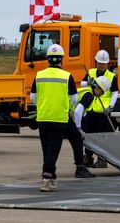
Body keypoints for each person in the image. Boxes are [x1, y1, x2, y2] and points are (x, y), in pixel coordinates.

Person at [29, 44, 79, 192]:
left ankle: (52, 178)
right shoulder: (67, 76)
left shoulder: (39, 75)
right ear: (61, 59)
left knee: (47, 149)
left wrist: (43, 104)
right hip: (59, 118)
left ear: (48, 59)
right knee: (53, 149)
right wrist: (66, 107)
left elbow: (33, 97)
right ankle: (46, 177)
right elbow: (74, 99)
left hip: (44, 117)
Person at [81, 49, 118, 168]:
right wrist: (88, 82)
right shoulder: (91, 72)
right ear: (96, 62)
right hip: (91, 110)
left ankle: (102, 159)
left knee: (102, 137)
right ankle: (88, 157)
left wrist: (111, 107)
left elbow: (115, 93)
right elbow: (81, 84)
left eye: (104, 63)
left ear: (107, 64)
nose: (101, 65)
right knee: (88, 135)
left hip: (104, 111)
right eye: (99, 62)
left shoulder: (112, 76)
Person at [71, 75, 112, 177]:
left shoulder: (86, 90)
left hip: (64, 115)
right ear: (97, 88)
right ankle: (80, 169)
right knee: (78, 140)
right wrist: (79, 128)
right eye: (102, 92)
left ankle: (80, 168)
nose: (101, 94)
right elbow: (78, 111)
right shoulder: (89, 95)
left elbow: (81, 111)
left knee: (77, 142)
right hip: (65, 117)